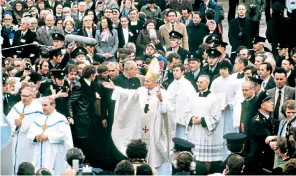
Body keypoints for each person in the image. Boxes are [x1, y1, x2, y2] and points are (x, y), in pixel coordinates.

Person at [102, 58, 173, 175]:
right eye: (145, 81)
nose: (145, 83)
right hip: (142, 129)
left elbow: (168, 111)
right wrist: (115, 88)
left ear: (155, 82)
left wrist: (161, 100)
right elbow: (129, 94)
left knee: (155, 154)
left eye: (148, 81)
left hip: (155, 131)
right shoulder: (141, 91)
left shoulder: (163, 93)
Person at [27, 97, 73, 175]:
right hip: (39, 151)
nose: (43, 107)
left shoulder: (60, 118)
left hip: (53, 151)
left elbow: (64, 135)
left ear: (53, 106)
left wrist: (47, 136)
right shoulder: (39, 119)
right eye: (42, 105)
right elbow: (30, 134)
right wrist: (35, 137)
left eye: (45, 105)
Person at [188, 74, 224, 173]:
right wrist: (192, 118)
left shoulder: (214, 98)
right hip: (196, 131)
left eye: (201, 82)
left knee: (207, 159)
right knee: (196, 158)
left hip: (207, 133)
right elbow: (188, 111)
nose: (198, 84)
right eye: (198, 82)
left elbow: (216, 116)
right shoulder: (194, 96)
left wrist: (202, 120)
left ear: (207, 83)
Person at [7, 87, 43, 174]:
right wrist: (15, 125)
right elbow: (9, 120)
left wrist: (22, 124)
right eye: (22, 95)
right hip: (16, 139)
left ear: (32, 96)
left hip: (28, 141)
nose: (23, 98)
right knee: (15, 161)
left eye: (26, 96)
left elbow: (39, 125)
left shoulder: (38, 108)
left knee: (27, 161)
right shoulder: (17, 106)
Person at [68, 65, 97, 164]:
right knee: (82, 142)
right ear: (92, 75)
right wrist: (71, 116)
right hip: (81, 118)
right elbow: (71, 101)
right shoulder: (79, 85)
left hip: (89, 117)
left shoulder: (91, 84)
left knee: (89, 142)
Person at [167, 63, 196, 140]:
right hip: (173, 117)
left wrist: (187, 114)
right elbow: (168, 101)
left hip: (184, 118)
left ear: (182, 72)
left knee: (183, 139)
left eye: (177, 70)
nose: (175, 72)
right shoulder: (171, 85)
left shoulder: (187, 84)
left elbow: (192, 100)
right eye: (173, 70)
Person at [249, 91, 276, 171]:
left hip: (268, 156)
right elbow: (266, 136)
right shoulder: (257, 121)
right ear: (262, 105)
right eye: (269, 102)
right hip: (260, 159)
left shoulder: (269, 118)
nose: (272, 103)